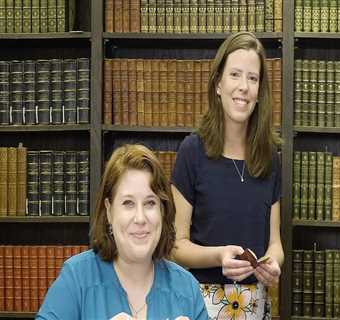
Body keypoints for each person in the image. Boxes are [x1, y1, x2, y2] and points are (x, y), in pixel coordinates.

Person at [171, 31, 283, 319]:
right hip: (201, 305)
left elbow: (275, 243)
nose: (243, 87)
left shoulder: (270, 157)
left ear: (260, 92)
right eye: (235, 75)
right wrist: (218, 256)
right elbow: (176, 246)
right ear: (218, 83)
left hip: (256, 305)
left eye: (253, 78)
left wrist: (273, 265)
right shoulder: (191, 152)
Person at [37, 144, 208, 320]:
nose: (140, 218)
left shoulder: (187, 288)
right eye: (128, 203)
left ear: (162, 211)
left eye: (150, 203)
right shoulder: (77, 278)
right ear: (109, 211)